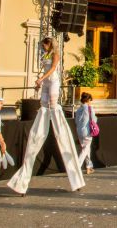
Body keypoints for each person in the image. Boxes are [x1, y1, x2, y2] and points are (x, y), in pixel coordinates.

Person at [8, 37, 84, 195]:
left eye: (44, 45)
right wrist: (40, 82)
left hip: (53, 82)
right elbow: (43, 70)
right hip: (45, 83)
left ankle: (52, 109)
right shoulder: (45, 56)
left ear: (50, 44)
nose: (43, 47)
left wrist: (42, 79)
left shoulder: (55, 54)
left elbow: (52, 69)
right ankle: (22, 182)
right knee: (44, 106)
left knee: (52, 104)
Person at [75, 92, 97, 175]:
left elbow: (76, 121)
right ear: (88, 100)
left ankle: (88, 167)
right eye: (90, 100)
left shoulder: (78, 109)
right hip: (87, 132)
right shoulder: (89, 108)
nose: (90, 102)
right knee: (85, 150)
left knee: (87, 149)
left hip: (79, 131)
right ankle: (77, 166)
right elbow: (94, 120)